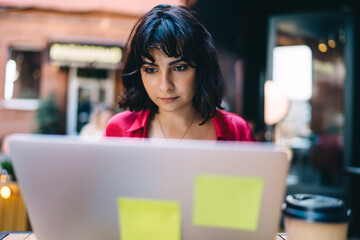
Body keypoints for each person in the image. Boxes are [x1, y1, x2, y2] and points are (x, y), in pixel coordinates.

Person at [104, 4, 253, 141]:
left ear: (201, 67)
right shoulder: (119, 130)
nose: (165, 85)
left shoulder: (236, 130)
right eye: (151, 70)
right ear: (139, 73)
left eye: (179, 68)